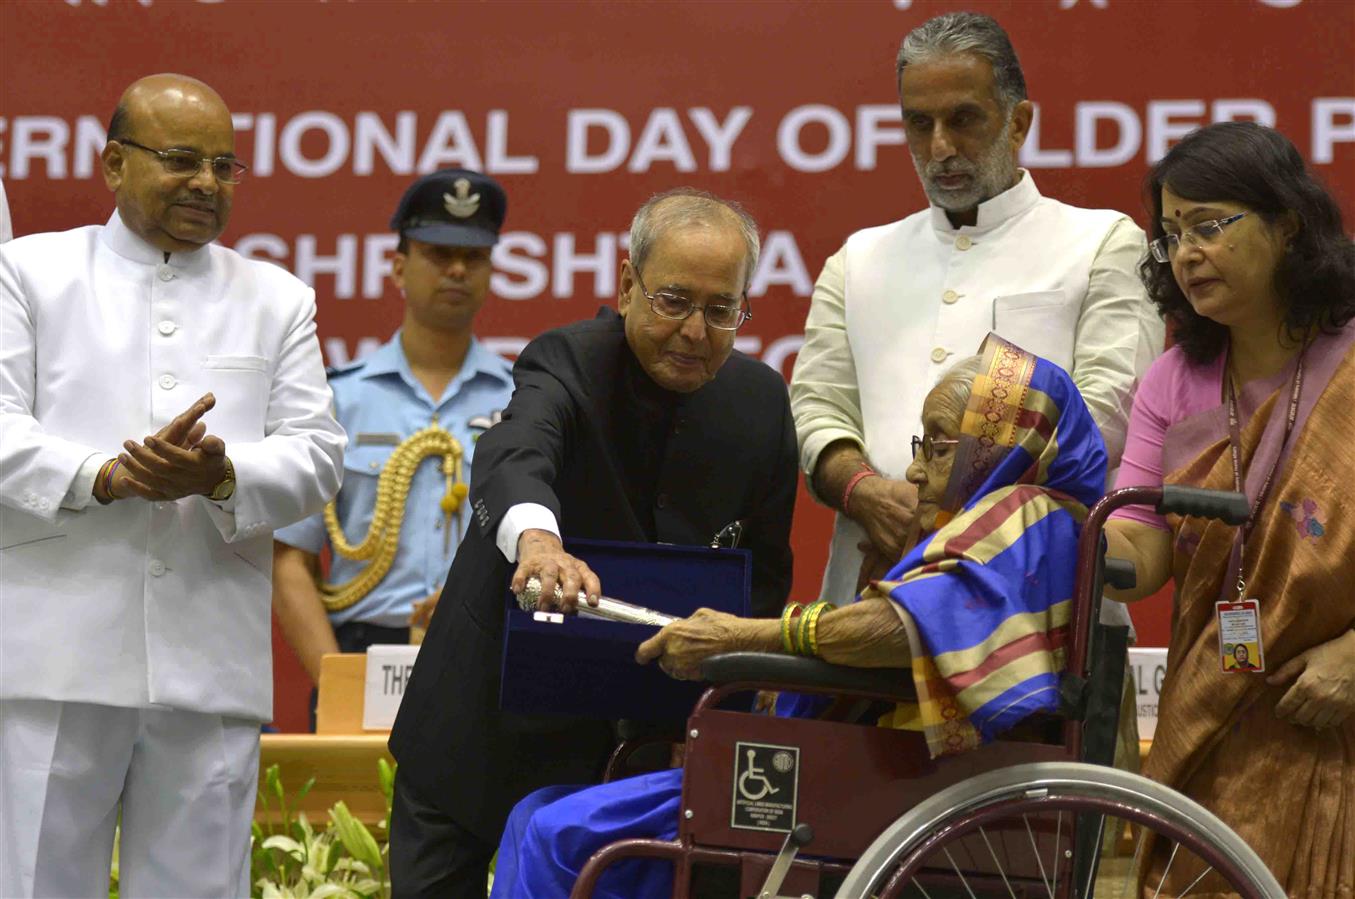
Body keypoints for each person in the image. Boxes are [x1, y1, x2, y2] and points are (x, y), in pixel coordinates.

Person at [488, 333, 1110, 898]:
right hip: (853, 776)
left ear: (1002, 449)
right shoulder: (993, 524)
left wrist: (740, 637)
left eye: (941, 448)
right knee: (532, 813)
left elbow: (903, 629)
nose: (915, 470)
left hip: (865, 793)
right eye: (921, 445)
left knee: (555, 832)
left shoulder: (1029, 515)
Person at [386, 188, 798, 897]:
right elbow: (516, 453)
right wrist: (538, 542)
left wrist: (719, 711)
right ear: (627, 283)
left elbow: (761, 576)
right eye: (672, 300)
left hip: (627, 756)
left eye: (720, 308)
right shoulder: (568, 360)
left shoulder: (759, 401)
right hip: (479, 729)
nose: (695, 331)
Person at [0, 74, 345, 898]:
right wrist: (104, 475)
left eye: (225, 167)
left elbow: (319, 453)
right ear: (115, 163)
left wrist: (224, 472)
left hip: (208, 665)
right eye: (182, 160)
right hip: (55, 656)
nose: (206, 183)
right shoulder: (29, 272)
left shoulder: (276, 298)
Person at [789, 10, 1159, 606]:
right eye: (919, 123)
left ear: (1018, 123)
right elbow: (815, 410)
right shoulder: (858, 259)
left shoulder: (1101, 244)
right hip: (866, 593)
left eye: (963, 119)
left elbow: (1103, 419)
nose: (940, 147)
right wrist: (863, 490)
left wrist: (944, 508)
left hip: (1037, 604)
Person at [1104, 122, 1355, 895]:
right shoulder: (1171, 381)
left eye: (1209, 225)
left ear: (1285, 224)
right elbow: (1137, 548)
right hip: (1215, 719)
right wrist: (1059, 537)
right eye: (1171, 233)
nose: (1184, 252)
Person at [272, 169, 515, 705]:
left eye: (473, 257)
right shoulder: (336, 400)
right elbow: (290, 559)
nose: (456, 269)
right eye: (437, 252)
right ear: (399, 267)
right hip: (359, 651)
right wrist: (337, 686)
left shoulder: (521, 404)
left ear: (492, 272)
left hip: (487, 654)